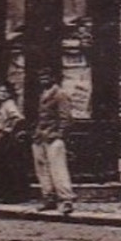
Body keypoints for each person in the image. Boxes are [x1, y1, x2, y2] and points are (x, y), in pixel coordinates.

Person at [33, 71, 76, 214]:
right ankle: (49, 197)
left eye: (46, 77)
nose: (43, 80)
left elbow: (66, 118)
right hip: (40, 137)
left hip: (53, 138)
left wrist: (59, 135)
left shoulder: (60, 94)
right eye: (41, 77)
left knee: (58, 169)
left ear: (53, 78)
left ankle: (66, 200)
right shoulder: (43, 94)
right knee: (43, 170)